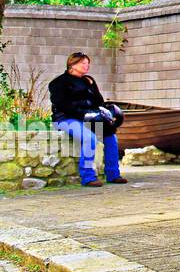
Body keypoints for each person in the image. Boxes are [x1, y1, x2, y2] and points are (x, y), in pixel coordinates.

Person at [49, 53, 127, 187]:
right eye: (83, 63)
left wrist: (104, 114)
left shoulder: (88, 81)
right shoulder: (59, 83)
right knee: (89, 138)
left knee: (111, 138)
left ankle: (113, 174)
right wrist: (85, 114)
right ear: (72, 64)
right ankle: (88, 176)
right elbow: (63, 105)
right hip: (66, 119)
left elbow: (99, 102)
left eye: (87, 63)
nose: (87, 66)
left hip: (90, 118)